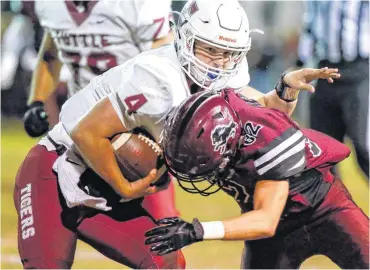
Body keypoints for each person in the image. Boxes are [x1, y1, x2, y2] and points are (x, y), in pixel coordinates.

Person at [13, 0, 340, 268]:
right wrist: (127, 186)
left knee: (167, 263)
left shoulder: (224, 77)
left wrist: (285, 89)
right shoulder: (158, 80)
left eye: (227, 54)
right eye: (210, 51)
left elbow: (266, 117)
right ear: (184, 39)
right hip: (57, 171)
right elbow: (87, 133)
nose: (218, 63)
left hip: (103, 186)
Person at [145, 89, 369, 269]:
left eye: (201, 163)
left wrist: (198, 230)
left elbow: (265, 221)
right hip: (269, 225)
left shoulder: (268, 139)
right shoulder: (212, 112)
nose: (197, 173)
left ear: (229, 143)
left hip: (324, 209)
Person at [23, 0, 174, 138]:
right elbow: (50, 56)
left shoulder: (137, 5)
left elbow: (166, 61)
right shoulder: (50, 5)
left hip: (133, 118)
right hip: (79, 117)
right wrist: (37, 102)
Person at [296, 0, 369, 178]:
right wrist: (300, 61)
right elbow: (310, 25)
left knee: (363, 145)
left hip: (358, 71)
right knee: (321, 151)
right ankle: (333, 205)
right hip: (324, 71)